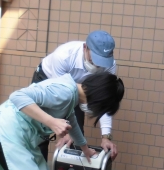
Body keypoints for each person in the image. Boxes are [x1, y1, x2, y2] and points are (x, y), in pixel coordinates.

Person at [31, 30, 119, 160]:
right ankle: (38, 167)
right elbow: (60, 96)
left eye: (101, 62)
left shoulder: (109, 66)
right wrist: (64, 130)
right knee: (40, 130)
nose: (97, 65)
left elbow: (104, 101)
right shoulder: (63, 56)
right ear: (85, 47)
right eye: (94, 60)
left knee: (76, 136)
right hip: (49, 80)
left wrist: (106, 137)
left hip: (81, 90)